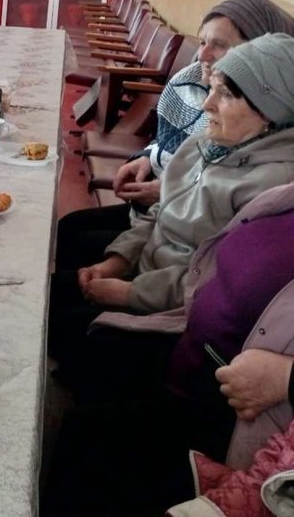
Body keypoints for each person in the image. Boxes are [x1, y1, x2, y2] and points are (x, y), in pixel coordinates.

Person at [50, 33, 294, 402]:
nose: (208, 104)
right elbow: (159, 212)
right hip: (145, 273)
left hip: (174, 309)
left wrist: (131, 293)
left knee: (57, 326)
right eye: (213, 88)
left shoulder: (271, 189)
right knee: (45, 296)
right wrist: (116, 262)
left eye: (227, 95)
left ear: (270, 113)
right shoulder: (208, 143)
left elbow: (211, 283)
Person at [45, 183, 294, 517]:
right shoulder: (284, 197)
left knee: (83, 443)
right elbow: (200, 267)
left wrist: (287, 377)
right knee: (70, 374)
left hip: (236, 433)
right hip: (181, 350)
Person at [55, 0, 294, 265]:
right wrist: (146, 157)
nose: (202, 54)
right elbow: (166, 139)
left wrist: (167, 189)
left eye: (219, 45)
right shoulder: (189, 81)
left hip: (175, 239)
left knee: (76, 246)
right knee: (69, 229)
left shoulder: (251, 131)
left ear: (258, 56)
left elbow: (206, 256)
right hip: (158, 217)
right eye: (202, 42)